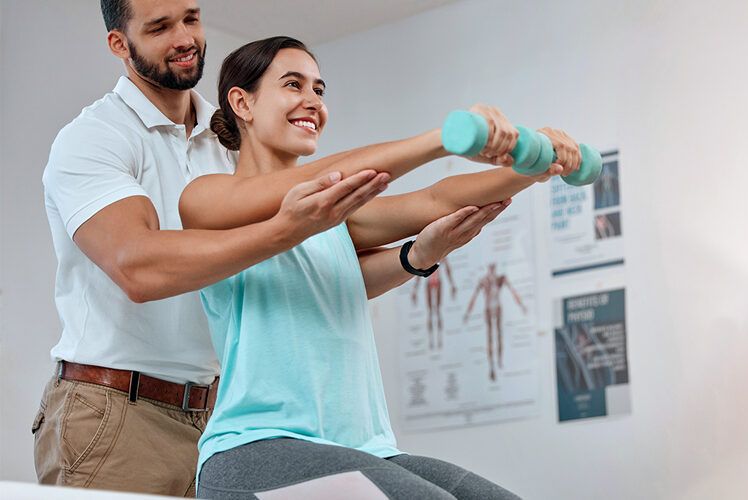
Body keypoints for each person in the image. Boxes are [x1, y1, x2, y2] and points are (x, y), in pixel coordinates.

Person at [34, 0, 426, 496]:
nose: (184, 38)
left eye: (191, 19)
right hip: (118, 408)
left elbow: (321, 266)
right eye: (159, 27)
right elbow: (139, 269)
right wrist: (287, 228)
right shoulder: (95, 139)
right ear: (119, 44)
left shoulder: (232, 142)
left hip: (225, 415)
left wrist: (416, 256)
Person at [180, 37, 584, 499]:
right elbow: (342, 171)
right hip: (254, 451)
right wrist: (446, 138)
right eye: (293, 85)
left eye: (319, 89)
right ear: (241, 102)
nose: (313, 101)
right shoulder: (206, 198)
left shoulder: (332, 220)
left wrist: (538, 166)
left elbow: (437, 199)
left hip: (364, 447)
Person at [463, 263, 528, 381]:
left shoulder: (500, 279)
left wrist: (521, 305)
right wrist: (467, 313)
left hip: (497, 307)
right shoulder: (484, 280)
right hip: (489, 308)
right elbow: (474, 296)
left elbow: (513, 292)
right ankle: (493, 366)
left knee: (498, 335)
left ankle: (499, 362)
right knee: (490, 337)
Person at [411, 259, 457, 349]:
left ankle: (439, 339)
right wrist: (415, 290)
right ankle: (431, 340)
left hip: (437, 281)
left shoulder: (442, 255)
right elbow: (420, 271)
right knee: (431, 312)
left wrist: (452, 284)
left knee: (437, 311)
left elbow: (448, 269)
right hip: (430, 281)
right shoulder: (438, 254)